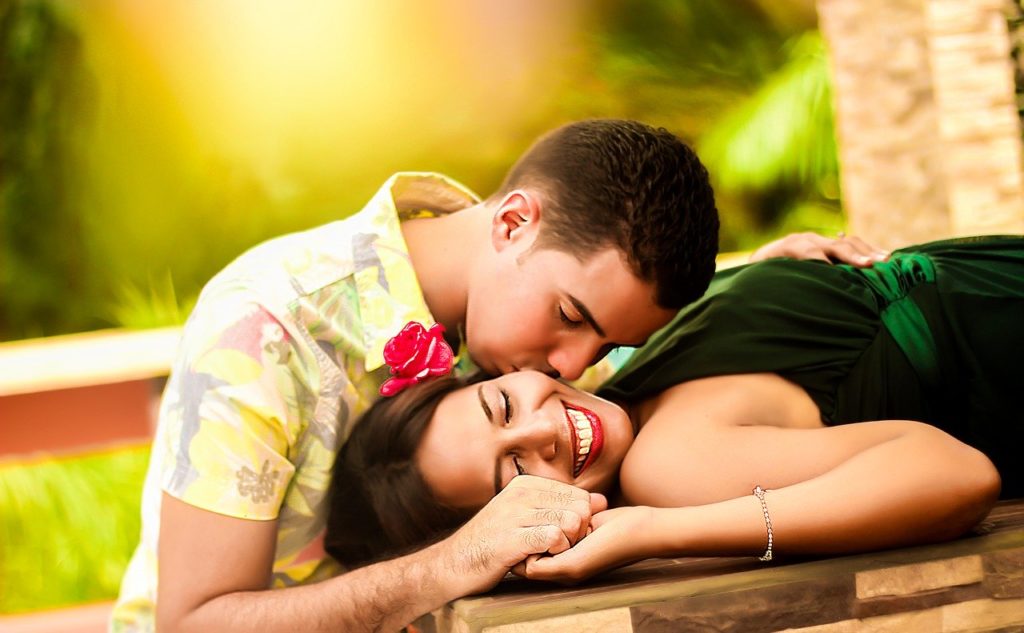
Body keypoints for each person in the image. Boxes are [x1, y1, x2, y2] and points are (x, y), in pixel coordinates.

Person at [111, 118, 729, 633]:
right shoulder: (267, 329)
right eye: (569, 316)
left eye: (611, 344)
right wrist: (452, 563)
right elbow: (194, 624)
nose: (576, 366)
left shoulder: (523, 329)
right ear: (513, 224)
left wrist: (762, 282)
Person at [324, 235, 1022, 584]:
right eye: (513, 472)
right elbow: (959, 475)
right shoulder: (666, 470)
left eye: (502, 404)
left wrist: (756, 266)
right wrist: (651, 532)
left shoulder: (626, 370)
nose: (545, 430)